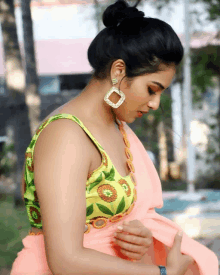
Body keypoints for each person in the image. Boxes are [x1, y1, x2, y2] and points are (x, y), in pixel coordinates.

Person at [11, 0, 218, 274]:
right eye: (152, 89)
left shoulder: (117, 128)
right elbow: (65, 259)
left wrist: (140, 238)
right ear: (119, 72)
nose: (155, 103)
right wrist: (162, 272)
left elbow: (118, 219)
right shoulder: (66, 136)